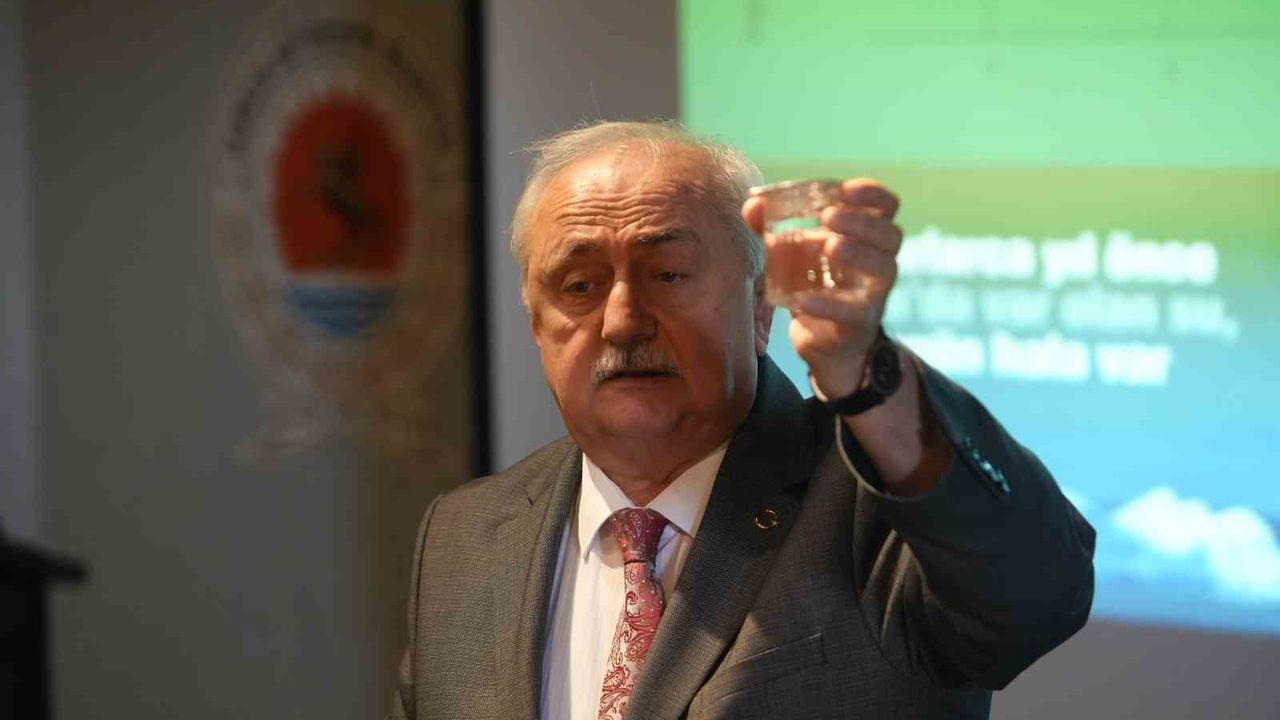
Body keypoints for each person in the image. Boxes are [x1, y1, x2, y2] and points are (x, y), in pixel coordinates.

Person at [388, 121, 1095, 720]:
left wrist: (867, 375)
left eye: (667, 274)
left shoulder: (872, 507)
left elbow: (1037, 598)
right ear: (537, 324)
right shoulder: (463, 537)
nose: (623, 320)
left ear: (761, 306)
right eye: (579, 286)